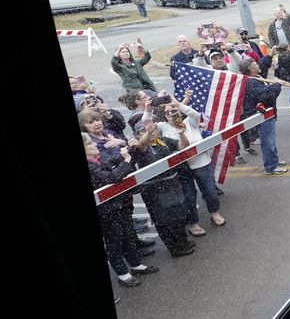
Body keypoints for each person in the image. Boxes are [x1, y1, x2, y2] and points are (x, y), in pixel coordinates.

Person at [83, 133, 159, 287]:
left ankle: (135, 265)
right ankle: (123, 275)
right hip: (106, 211)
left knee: (128, 235)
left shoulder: (96, 160)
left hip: (118, 205)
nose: (94, 145)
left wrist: (129, 150)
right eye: (90, 144)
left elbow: (113, 161)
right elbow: (113, 177)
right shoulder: (90, 166)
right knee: (114, 242)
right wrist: (127, 160)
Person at [154, 92, 226, 235]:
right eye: (167, 113)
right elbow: (147, 124)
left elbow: (194, 114)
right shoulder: (162, 126)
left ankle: (215, 213)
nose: (171, 114)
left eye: (173, 110)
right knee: (188, 196)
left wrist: (177, 103)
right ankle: (193, 223)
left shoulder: (190, 122)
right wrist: (149, 110)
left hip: (201, 163)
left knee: (210, 190)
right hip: (181, 168)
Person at [127, 115, 195, 257]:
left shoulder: (162, 141)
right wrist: (147, 131)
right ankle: (175, 248)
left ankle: (182, 242)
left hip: (172, 185)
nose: (152, 133)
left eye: (154, 130)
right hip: (154, 191)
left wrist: (182, 134)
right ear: (138, 134)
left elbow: (183, 145)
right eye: (145, 131)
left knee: (178, 216)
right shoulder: (138, 148)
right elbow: (142, 144)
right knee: (164, 221)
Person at [238, 56, 288, 174]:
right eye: (255, 64)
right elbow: (267, 95)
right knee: (268, 142)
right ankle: (271, 167)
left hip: (267, 114)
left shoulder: (256, 78)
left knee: (270, 140)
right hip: (261, 116)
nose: (258, 65)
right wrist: (277, 85)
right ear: (250, 69)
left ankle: (273, 160)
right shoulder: (251, 82)